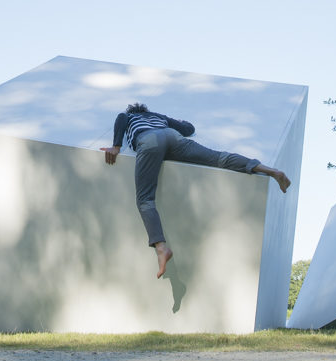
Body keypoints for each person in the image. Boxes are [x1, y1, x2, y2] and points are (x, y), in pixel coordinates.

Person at [101, 102, 292, 278]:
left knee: (145, 199)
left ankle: (161, 248)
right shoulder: (159, 117)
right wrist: (180, 122)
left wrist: (116, 147)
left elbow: (121, 118)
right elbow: (188, 129)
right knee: (218, 158)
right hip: (172, 136)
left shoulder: (130, 116)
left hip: (149, 140)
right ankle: (271, 171)